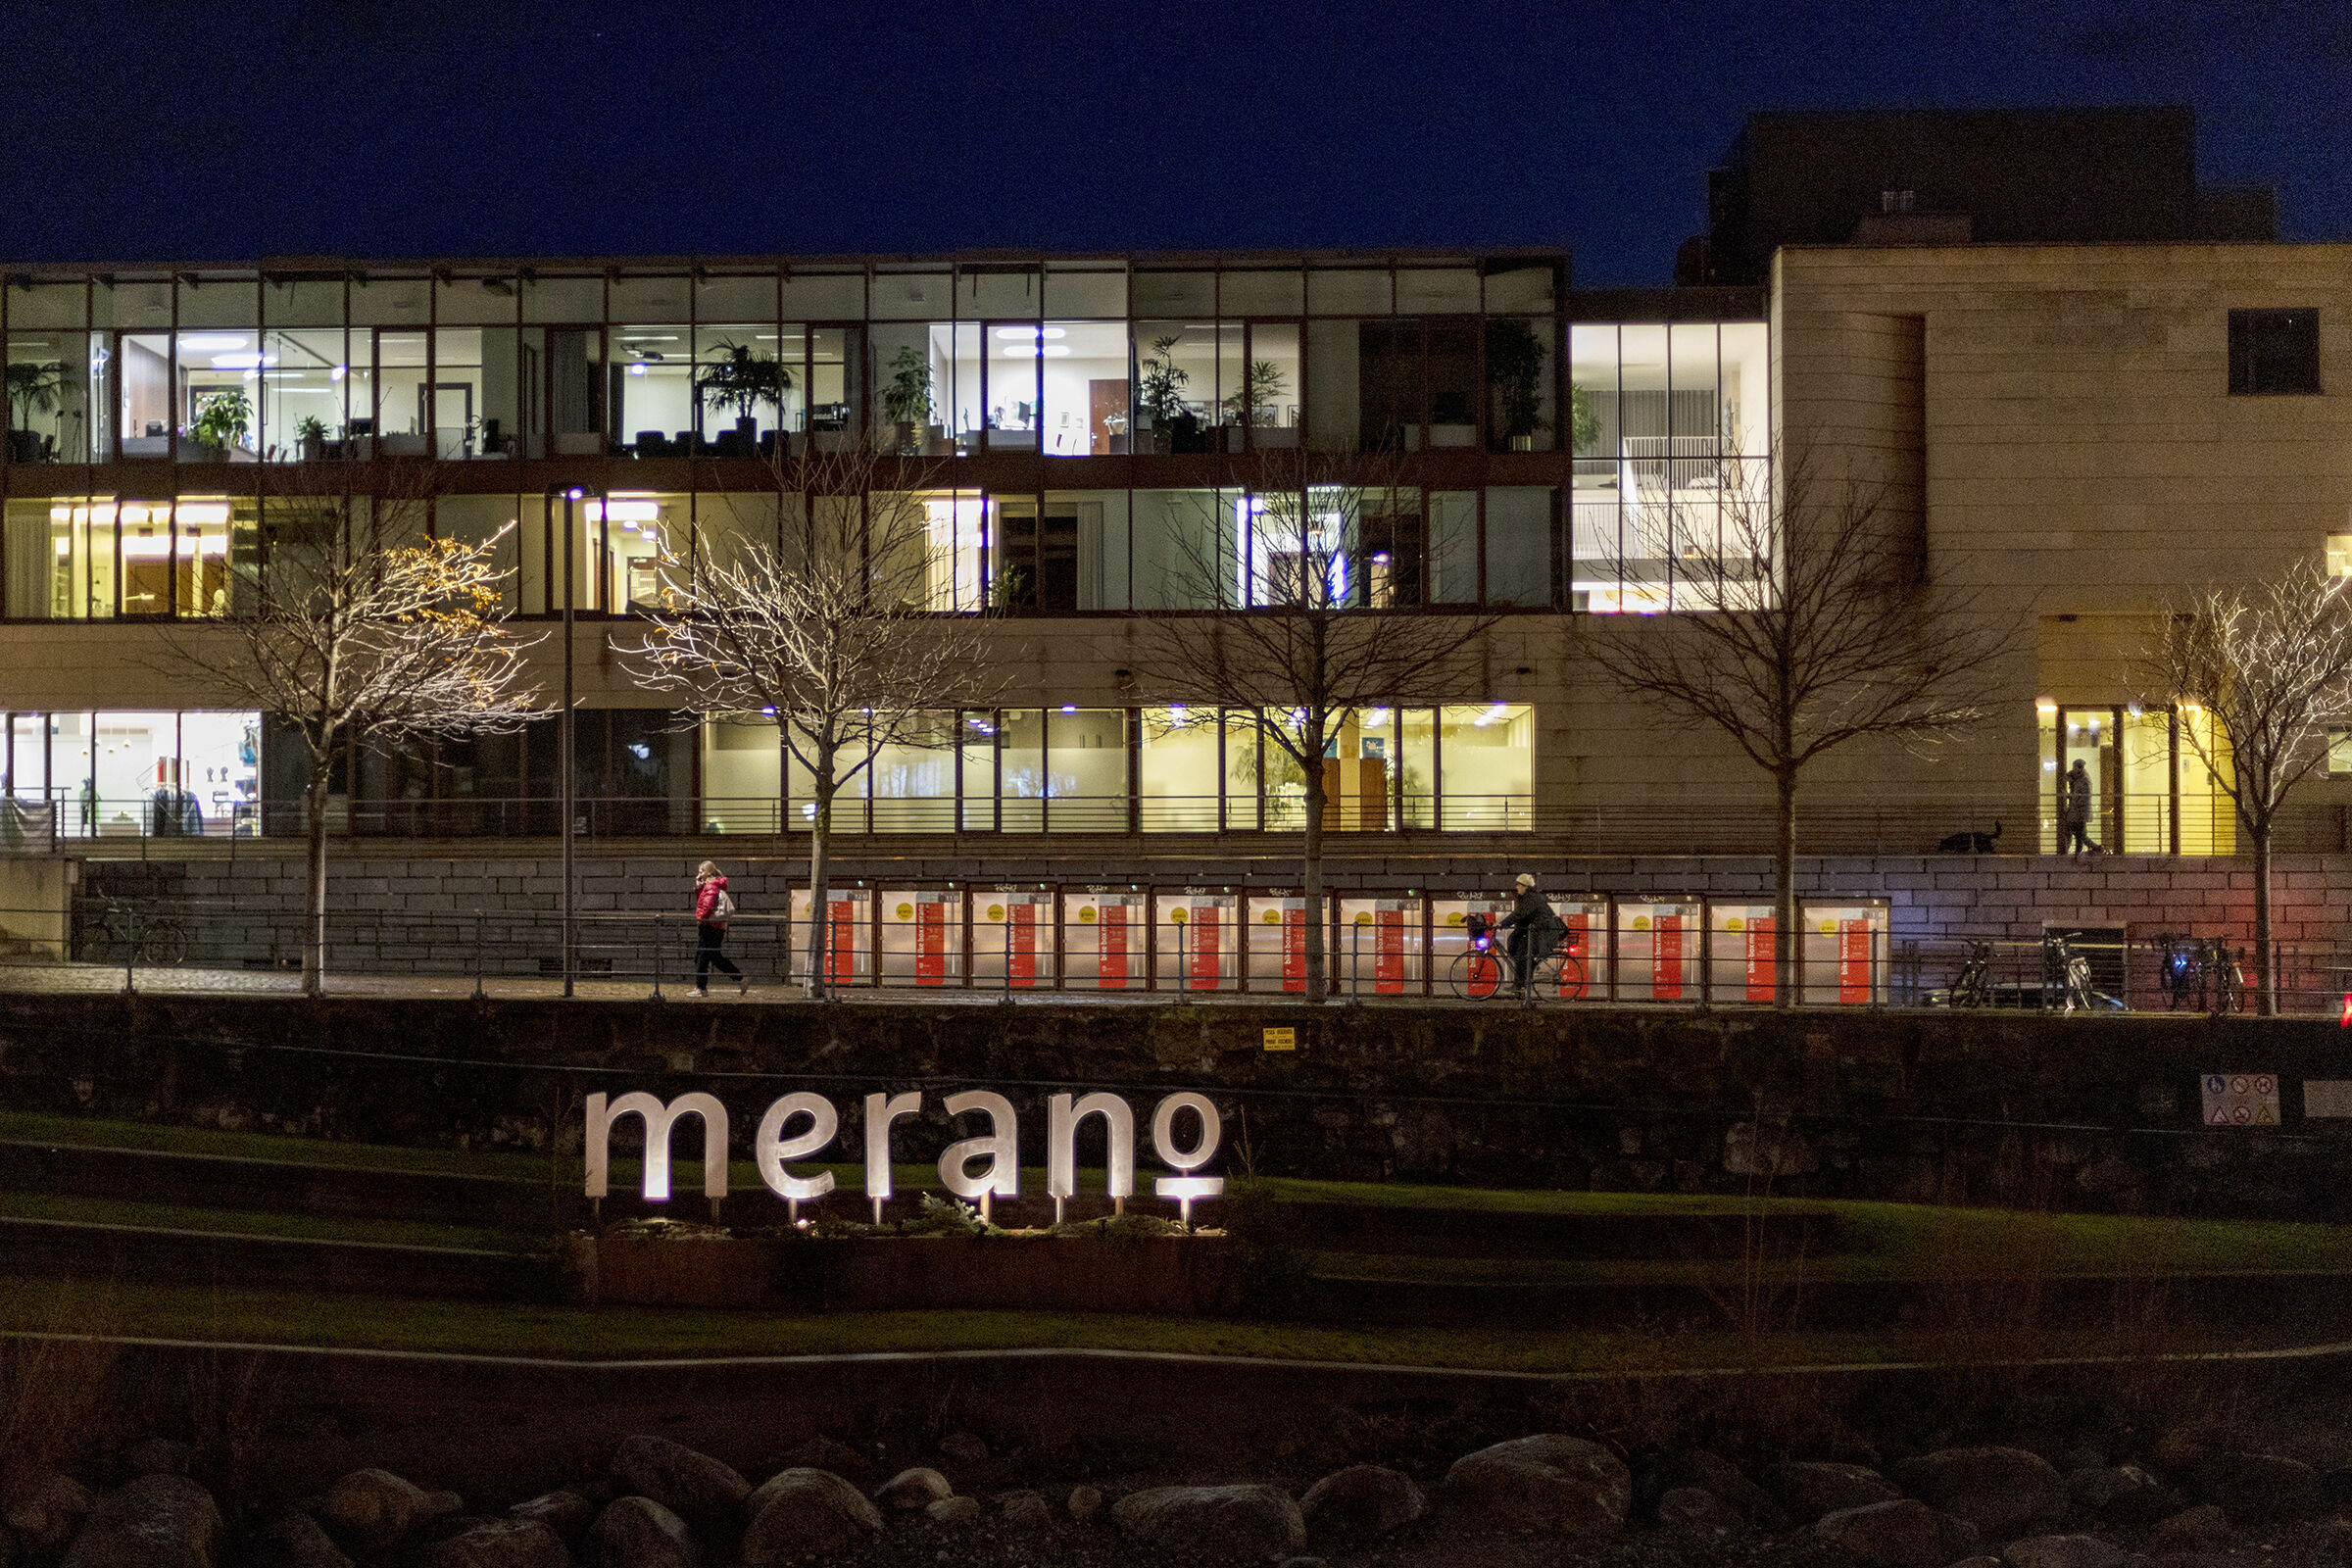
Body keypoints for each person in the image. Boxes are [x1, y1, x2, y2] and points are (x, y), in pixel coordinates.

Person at [1496, 872, 1564, 997]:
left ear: (1525, 886)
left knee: (1521, 953)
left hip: (1544, 933)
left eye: (1519, 885)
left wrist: (1502, 924)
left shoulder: (1531, 898)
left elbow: (1519, 914)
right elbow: (1523, 916)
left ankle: (1522, 984)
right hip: (1540, 932)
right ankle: (1522, 980)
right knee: (1519, 951)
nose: (1517, 887)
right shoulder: (1530, 897)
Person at [690, 860, 747, 998]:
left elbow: (707, 906)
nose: (699, 874)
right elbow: (703, 901)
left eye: (701, 871)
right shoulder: (711, 885)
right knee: (711, 956)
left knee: (703, 957)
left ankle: (701, 988)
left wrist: (701, 919)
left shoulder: (711, 886)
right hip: (715, 926)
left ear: (708, 872)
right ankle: (740, 979)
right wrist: (699, 888)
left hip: (710, 926)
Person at [2062, 759, 2098, 858]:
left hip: (2079, 812)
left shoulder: (2083, 781)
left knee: (2078, 833)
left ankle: (2093, 848)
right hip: (2077, 812)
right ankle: (2086, 850)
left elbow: (2081, 798)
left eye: (2074, 767)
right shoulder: (2080, 778)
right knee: (2079, 834)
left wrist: (2068, 796)